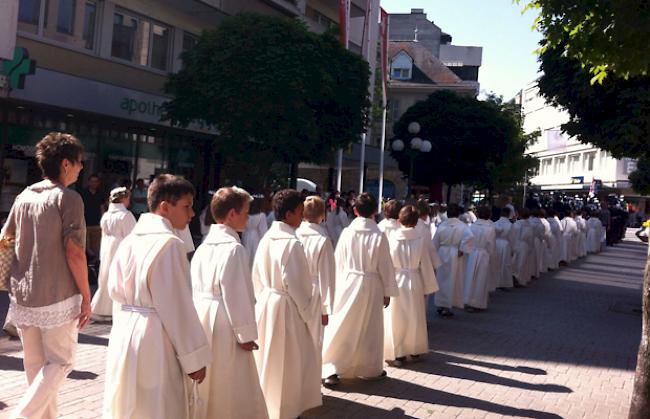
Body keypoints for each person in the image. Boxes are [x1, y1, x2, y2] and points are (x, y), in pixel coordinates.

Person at [102, 174, 210, 419]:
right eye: (186, 206)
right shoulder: (169, 244)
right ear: (165, 207)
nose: (192, 214)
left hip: (124, 333)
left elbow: (114, 292)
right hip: (155, 337)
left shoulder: (129, 241)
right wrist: (194, 359)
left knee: (128, 404)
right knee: (158, 404)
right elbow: (177, 307)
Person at [1, 132, 90, 419]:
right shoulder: (69, 198)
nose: (81, 167)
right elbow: (74, 251)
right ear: (66, 163)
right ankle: (22, 416)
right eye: (79, 162)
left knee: (35, 369)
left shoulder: (24, 196)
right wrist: (87, 297)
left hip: (23, 294)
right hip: (57, 294)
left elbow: (5, 237)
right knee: (61, 362)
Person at [191, 187, 267, 419]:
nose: (248, 216)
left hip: (203, 316)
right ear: (232, 214)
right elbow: (238, 295)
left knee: (210, 380)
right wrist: (245, 334)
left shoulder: (203, 247)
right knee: (228, 380)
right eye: (245, 211)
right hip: (225, 322)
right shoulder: (234, 249)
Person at [252, 189, 321, 419]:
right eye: (300, 212)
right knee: (287, 362)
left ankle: (267, 406)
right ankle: (286, 410)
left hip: (266, 303)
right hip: (287, 308)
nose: (302, 217)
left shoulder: (266, 239)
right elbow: (299, 285)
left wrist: (264, 299)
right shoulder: (292, 244)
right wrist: (308, 310)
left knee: (268, 361)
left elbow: (256, 277)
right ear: (289, 214)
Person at [322, 192, 397, 385]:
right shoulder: (378, 235)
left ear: (355, 210)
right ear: (375, 211)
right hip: (372, 285)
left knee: (344, 323)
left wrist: (336, 285)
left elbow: (339, 261)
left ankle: (332, 367)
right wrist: (388, 291)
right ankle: (368, 367)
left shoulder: (348, 232)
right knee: (369, 327)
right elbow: (385, 265)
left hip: (349, 281)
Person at [383, 205, 438, 367]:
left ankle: (399, 353)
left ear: (399, 221)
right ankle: (414, 349)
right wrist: (428, 287)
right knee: (415, 316)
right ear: (416, 222)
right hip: (415, 280)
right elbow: (426, 265)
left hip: (397, 279)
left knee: (397, 318)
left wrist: (384, 285)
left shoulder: (391, 239)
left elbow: (387, 264)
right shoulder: (420, 240)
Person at [296, 195, 336, 352]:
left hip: (295, 289)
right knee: (314, 339)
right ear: (323, 215)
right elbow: (327, 276)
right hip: (314, 294)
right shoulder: (322, 240)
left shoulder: (295, 234)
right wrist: (326, 309)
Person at [90, 187, 136, 321]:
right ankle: (113, 308)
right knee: (118, 276)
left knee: (105, 276)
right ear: (123, 199)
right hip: (120, 246)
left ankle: (100, 307)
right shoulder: (126, 215)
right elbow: (132, 235)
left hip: (106, 247)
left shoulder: (106, 215)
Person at [433, 204, 474, 317]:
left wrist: (435, 254)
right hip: (455, 254)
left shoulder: (442, 225)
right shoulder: (463, 226)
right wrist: (462, 249)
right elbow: (470, 237)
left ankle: (441, 304)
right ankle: (447, 306)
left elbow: (435, 242)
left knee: (441, 279)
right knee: (452, 280)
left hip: (442, 252)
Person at [463, 206, 496, 312]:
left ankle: (467, 300)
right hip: (483, 254)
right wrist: (491, 255)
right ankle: (477, 302)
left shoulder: (472, 226)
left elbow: (467, 240)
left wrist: (467, 252)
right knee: (480, 279)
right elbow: (491, 244)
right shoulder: (490, 228)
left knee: (470, 277)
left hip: (473, 253)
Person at [80, 173, 107, 260]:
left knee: (95, 248)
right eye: (92, 181)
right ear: (88, 182)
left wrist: (102, 221)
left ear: (98, 183)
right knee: (85, 247)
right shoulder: (83, 193)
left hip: (96, 224)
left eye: (95, 182)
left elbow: (102, 208)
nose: (93, 183)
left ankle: (94, 266)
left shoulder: (101, 193)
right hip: (85, 223)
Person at [242, 196, 268, 267]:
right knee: (254, 256)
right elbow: (263, 231)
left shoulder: (246, 214)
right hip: (256, 237)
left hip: (246, 235)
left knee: (246, 256)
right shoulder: (261, 215)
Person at [494, 207, 515, 289]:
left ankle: (495, 281)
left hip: (496, 243)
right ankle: (503, 283)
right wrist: (513, 249)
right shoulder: (510, 225)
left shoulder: (495, 223)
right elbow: (512, 238)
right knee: (505, 264)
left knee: (496, 263)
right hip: (505, 245)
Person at [512, 208, 534, 286]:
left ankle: (516, 278)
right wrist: (530, 247)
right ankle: (522, 279)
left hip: (518, 243)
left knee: (516, 262)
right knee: (523, 262)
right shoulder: (530, 225)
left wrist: (512, 247)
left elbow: (514, 236)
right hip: (526, 245)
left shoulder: (517, 224)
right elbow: (531, 238)